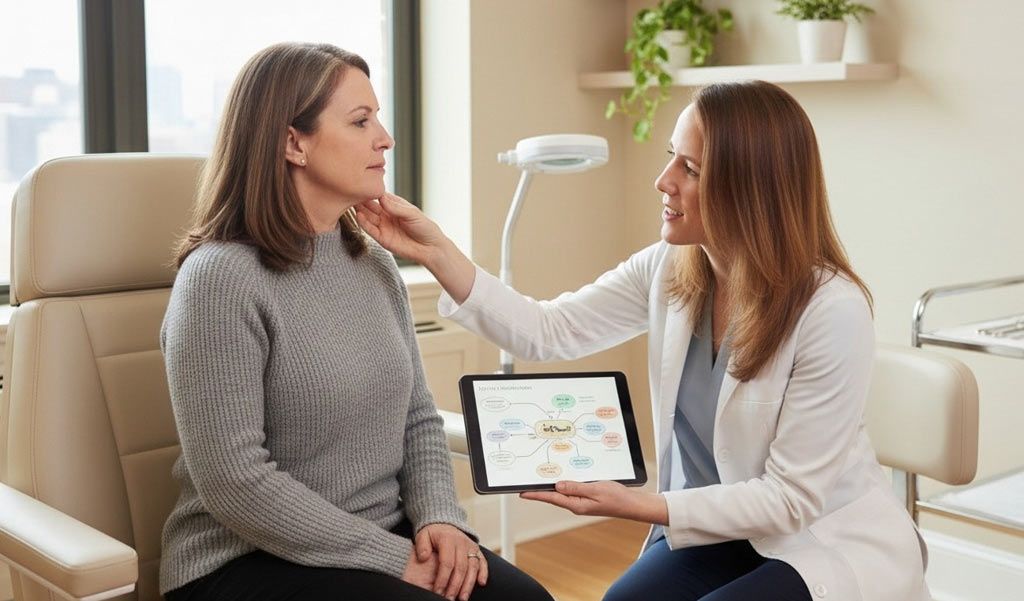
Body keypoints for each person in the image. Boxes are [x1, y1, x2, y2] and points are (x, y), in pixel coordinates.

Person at [355, 80, 931, 601]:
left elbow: (790, 500)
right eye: (670, 158)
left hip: (813, 539)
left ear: (751, 189)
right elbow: (548, 330)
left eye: (692, 169)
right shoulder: (671, 268)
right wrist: (435, 251)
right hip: (713, 531)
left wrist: (636, 504)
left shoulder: (831, 309)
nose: (664, 181)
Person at [159, 42, 553, 601]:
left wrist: (440, 518)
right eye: (361, 121)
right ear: (294, 142)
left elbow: (417, 416)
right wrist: (394, 559)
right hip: (243, 558)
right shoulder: (220, 279)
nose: (385, 138)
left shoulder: (374, 264)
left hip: (377, 534)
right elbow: (235, 481)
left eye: (379, 118)